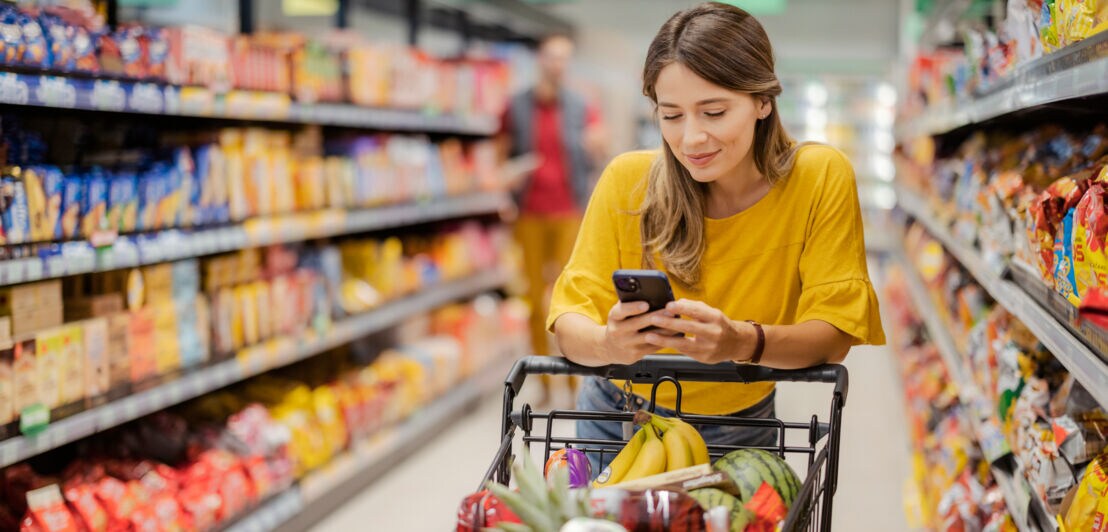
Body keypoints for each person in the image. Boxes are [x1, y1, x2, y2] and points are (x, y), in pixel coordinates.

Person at [546, 2, 886, 475]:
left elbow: (833, 336)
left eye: (713, 111)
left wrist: (739, 342)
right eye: (672, 115)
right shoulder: (628, 181)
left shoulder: (818, 178)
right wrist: (610, 344)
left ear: (762, 100)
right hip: (614, 419)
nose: (691, 139)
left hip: (739, 429)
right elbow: (568, 322)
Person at [500, 33, 607, 406]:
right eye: (551, 57)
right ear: (539, 60)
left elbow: (599, 145)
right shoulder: (516, 105)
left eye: (564, 58)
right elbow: (501, 153)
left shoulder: (581, 104)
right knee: (532, 298)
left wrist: (597, 145)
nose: (557, 64)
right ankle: (543, 382)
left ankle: (575, 383)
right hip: (529, 212)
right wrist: (506, 177)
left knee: (570, 300)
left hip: (569, 212)